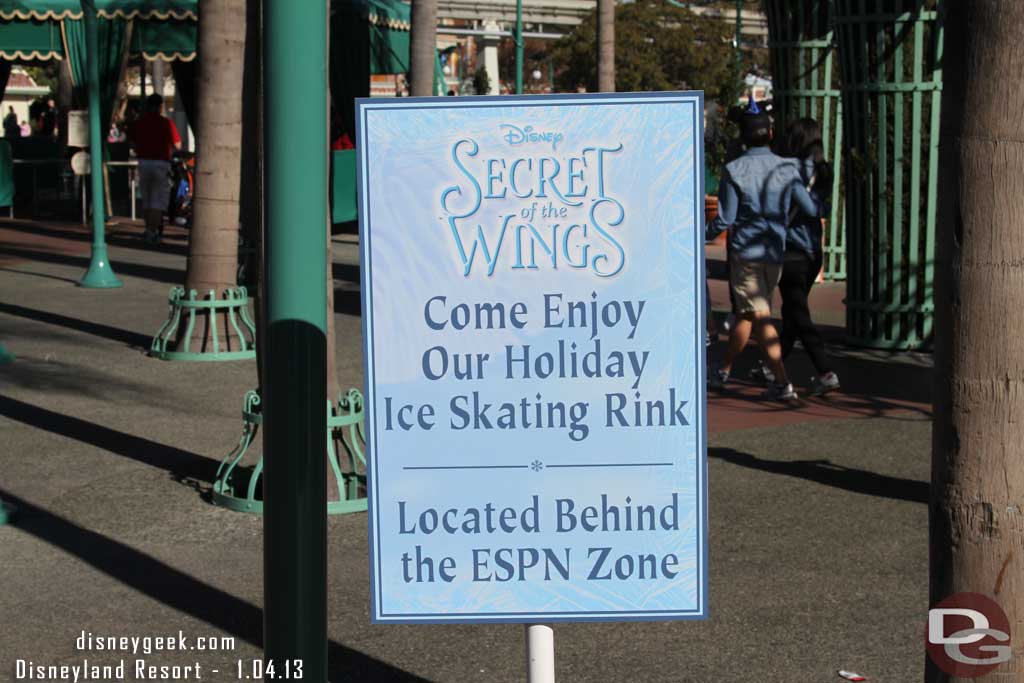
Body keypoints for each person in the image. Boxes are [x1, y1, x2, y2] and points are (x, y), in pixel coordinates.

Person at [706, 97, 826, 401]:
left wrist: (698, 235)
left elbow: (725, 218)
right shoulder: (786, 168)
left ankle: (781, 382)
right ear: (770, 134)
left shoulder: (734, 169)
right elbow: (811, 208)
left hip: (746, 254)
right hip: (775, 254)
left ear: (743, 137)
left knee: (758, 316)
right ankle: (723, 370)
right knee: (751, 315)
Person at [776, 118, 840, 396]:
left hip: (790, 251)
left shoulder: (788, 172)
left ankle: (825, 371)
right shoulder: (824, 170)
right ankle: (772, 364)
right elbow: (820, 209)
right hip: (814, 251)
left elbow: (804, 207)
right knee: (792, 310)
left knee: (799, 314)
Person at [129, 94, 181, 243]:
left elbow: (132, 143)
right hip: (160, 163)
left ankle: (147, 229)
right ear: (160, 107)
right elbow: (177, 144)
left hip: (144, 163)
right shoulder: (166, 123)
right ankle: (152, 232)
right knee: (158, 201)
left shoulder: (140, 123)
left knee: (147, 198)